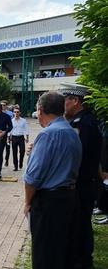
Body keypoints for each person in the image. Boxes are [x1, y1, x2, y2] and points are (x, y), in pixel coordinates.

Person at [23, 91, 82, 269]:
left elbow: (32, 178)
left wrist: (27, 202)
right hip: (69, 198)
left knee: (44, 255)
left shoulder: (47, 135)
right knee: (60, 253)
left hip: (48, 203)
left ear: (40, 110)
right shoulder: (72, 131)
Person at [60, 83, 103, 269]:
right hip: (82, 183)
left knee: (80, 226)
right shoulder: (79, 121)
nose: (63, 105)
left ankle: (82, 262)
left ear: (75, 101)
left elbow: (77, 155)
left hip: (82, 184)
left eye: (65, 101)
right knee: (77, 225)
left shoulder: (83, 124)